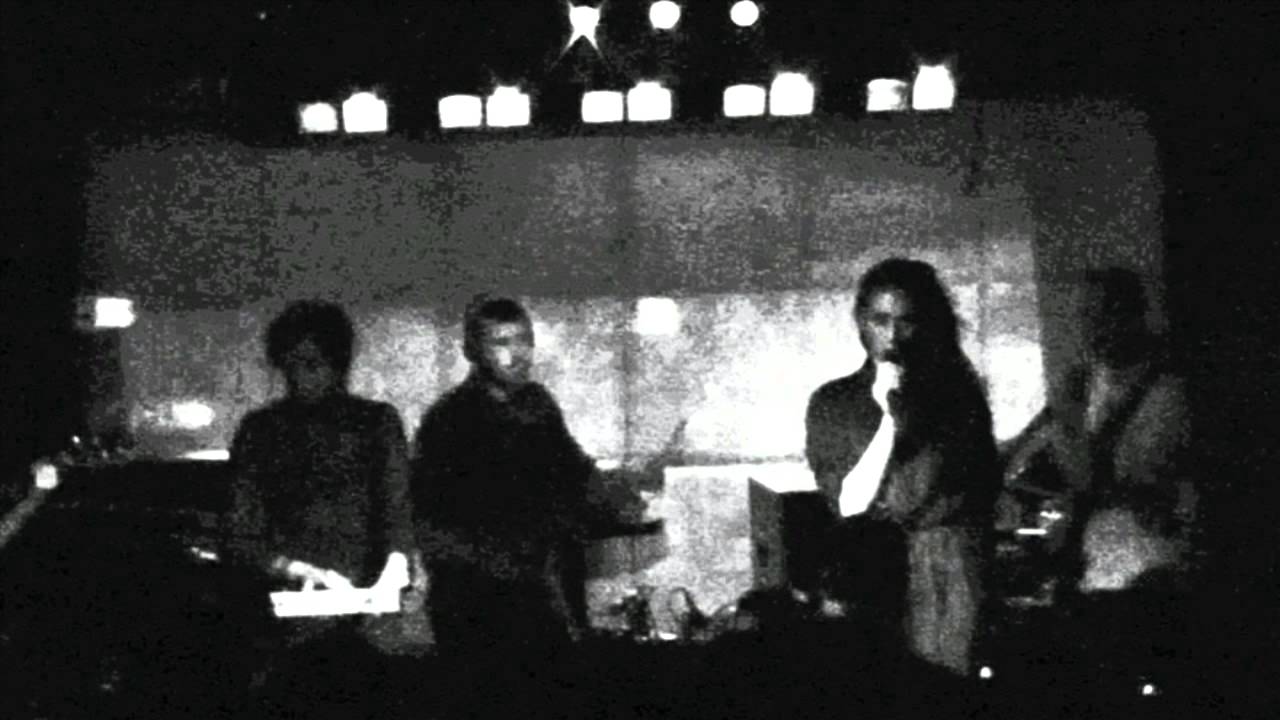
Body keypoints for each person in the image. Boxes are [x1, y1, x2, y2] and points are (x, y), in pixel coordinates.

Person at [805, 258, 999, 676]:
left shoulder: (957, 398)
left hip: (950, 573)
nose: (893, 336)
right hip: (873, 577)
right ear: (861, 321)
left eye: (907, 322)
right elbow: (849, 503)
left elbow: (974, 490)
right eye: (880, 321)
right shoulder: (834, 403)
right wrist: (890, 422)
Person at [224, 300, 417, 715]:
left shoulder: (376, 424)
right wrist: (292, 569)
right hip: (287, 630)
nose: (300, 377)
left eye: (313, 364)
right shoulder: (260, 431)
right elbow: (241, 536)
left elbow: (398, 517)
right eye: (291, 366)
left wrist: (394, 572)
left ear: (338, 363)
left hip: (365, 627)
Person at [410, 296, 596, 713]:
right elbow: (428, 518)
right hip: (475, 602)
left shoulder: (538, 406)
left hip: (537, 594)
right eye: (501, 342)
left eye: (524, 340)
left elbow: (574, 474)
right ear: (472, 351)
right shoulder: (449, 421)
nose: (518, 354)